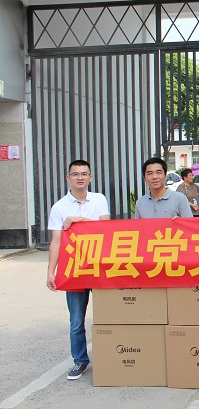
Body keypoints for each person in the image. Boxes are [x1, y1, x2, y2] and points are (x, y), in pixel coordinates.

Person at [46, 160, 110, 380]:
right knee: (76, 321)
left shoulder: (99, 199)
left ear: (91, 177)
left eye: (84, 174)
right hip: (74, 269)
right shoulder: (59, 207)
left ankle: (110, 358)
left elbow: (106, 229)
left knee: (108, 317)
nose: (80, 177)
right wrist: (51, 272)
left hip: (100, 267)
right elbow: (56, 242)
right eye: (75, 174)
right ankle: (80, 360)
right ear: (68, 178)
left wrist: (78, 221)